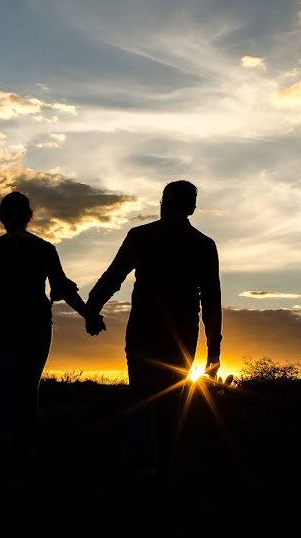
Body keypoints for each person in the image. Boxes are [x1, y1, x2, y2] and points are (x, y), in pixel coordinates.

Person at [85, 180, 223, 485]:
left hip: (143, 333)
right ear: (192, 208)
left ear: (162, 202)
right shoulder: (203, 244)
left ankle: (146, 468)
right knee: (171, 404)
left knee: (142, 401)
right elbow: (212, 302)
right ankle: (162, 469)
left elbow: (114, 276)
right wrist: (214, 353)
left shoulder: (142, 236)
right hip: (181, 339)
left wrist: (92, 309)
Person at [0, 191, 105, 454]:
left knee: (5, 385)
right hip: (36, 326)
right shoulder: (44, 249)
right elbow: (64, 288)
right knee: (29, 386)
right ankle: (25, 442)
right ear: (29, 217)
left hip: (3, 325)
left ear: (1, 217)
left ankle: (4, 443)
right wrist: (88, 315)